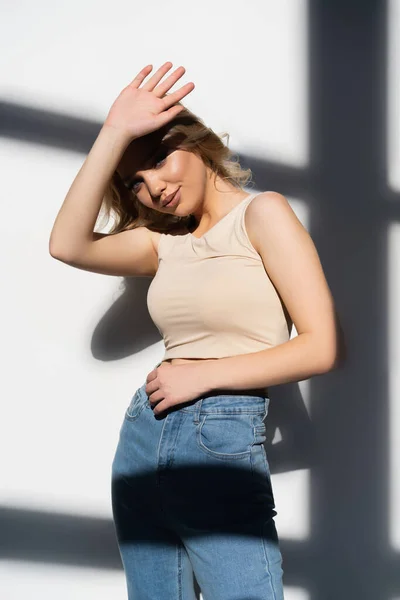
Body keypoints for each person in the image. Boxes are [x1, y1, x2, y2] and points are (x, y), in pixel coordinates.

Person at [49, 62, 341, 599]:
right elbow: (67, 245)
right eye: (136, 181)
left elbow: (321, 347)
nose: (154, 187)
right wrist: (113, 133)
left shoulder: (264, 214)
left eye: (160, 160)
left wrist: (203, 380)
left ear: (200, 146)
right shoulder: (163, 242)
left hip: (223, 431)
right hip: (143, 438)